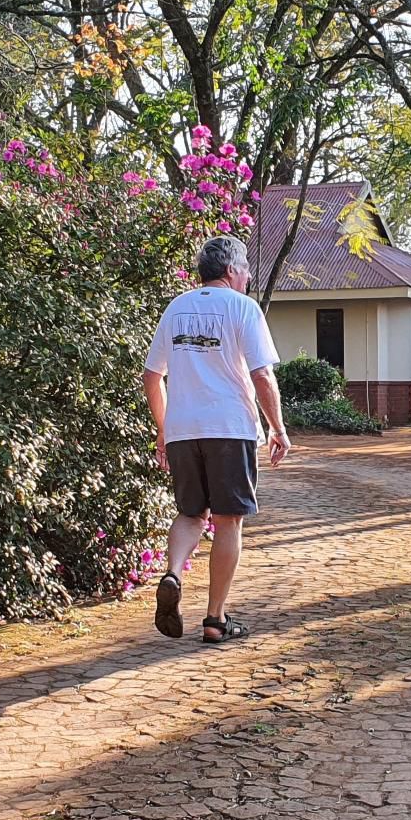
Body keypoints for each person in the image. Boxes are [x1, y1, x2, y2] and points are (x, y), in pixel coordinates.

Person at [142, 235, 290, 644]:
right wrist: (278, 428)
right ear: (231, 270)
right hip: (229, 427)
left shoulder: (176, 308)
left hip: (183, 430)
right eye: (245, 271)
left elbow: (152, 377)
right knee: (228, 521)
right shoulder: (243, 308)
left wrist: (163, 427)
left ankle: (172, 572)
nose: (247, 278)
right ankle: (215, 619)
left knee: (191, 514)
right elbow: (262, 375)